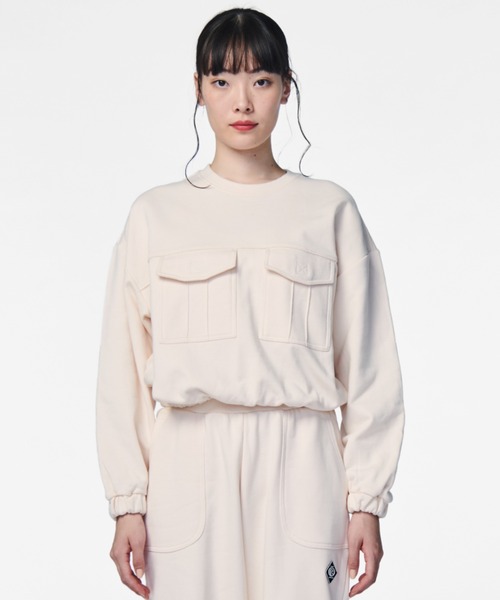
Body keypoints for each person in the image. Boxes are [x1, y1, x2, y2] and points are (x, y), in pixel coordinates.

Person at [96, 7, 404, 600]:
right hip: (188, 463)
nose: (242, 102)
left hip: (303, 463)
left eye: (261, 80)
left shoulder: (330, 211)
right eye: (222, 81)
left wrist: (366, 500)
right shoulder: (155, 215)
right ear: (197, 89)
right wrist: (127, 501)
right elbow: (122, 370)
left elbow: (371, 366)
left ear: (286, 88)